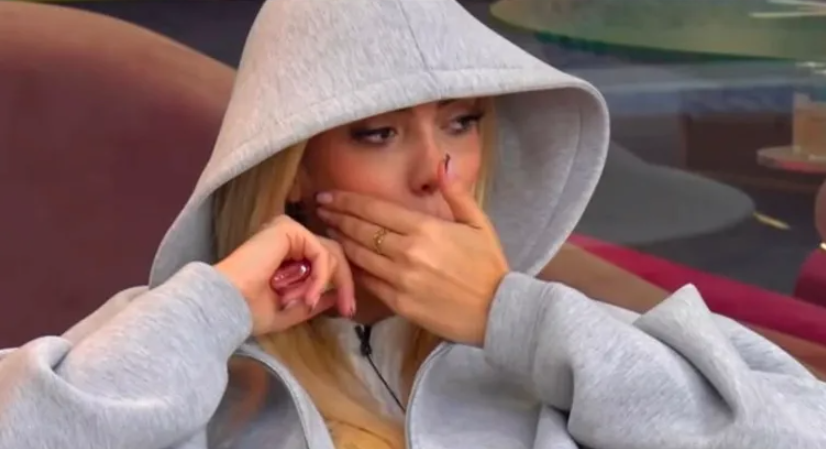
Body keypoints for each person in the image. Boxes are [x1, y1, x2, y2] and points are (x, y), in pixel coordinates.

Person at [2, 0, 825, 447]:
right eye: (379, 133)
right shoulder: (163, 347)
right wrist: (212, 309)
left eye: (462, 122)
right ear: (296, 167)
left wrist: (513, 316)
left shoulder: (563, 344)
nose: (439, 170)